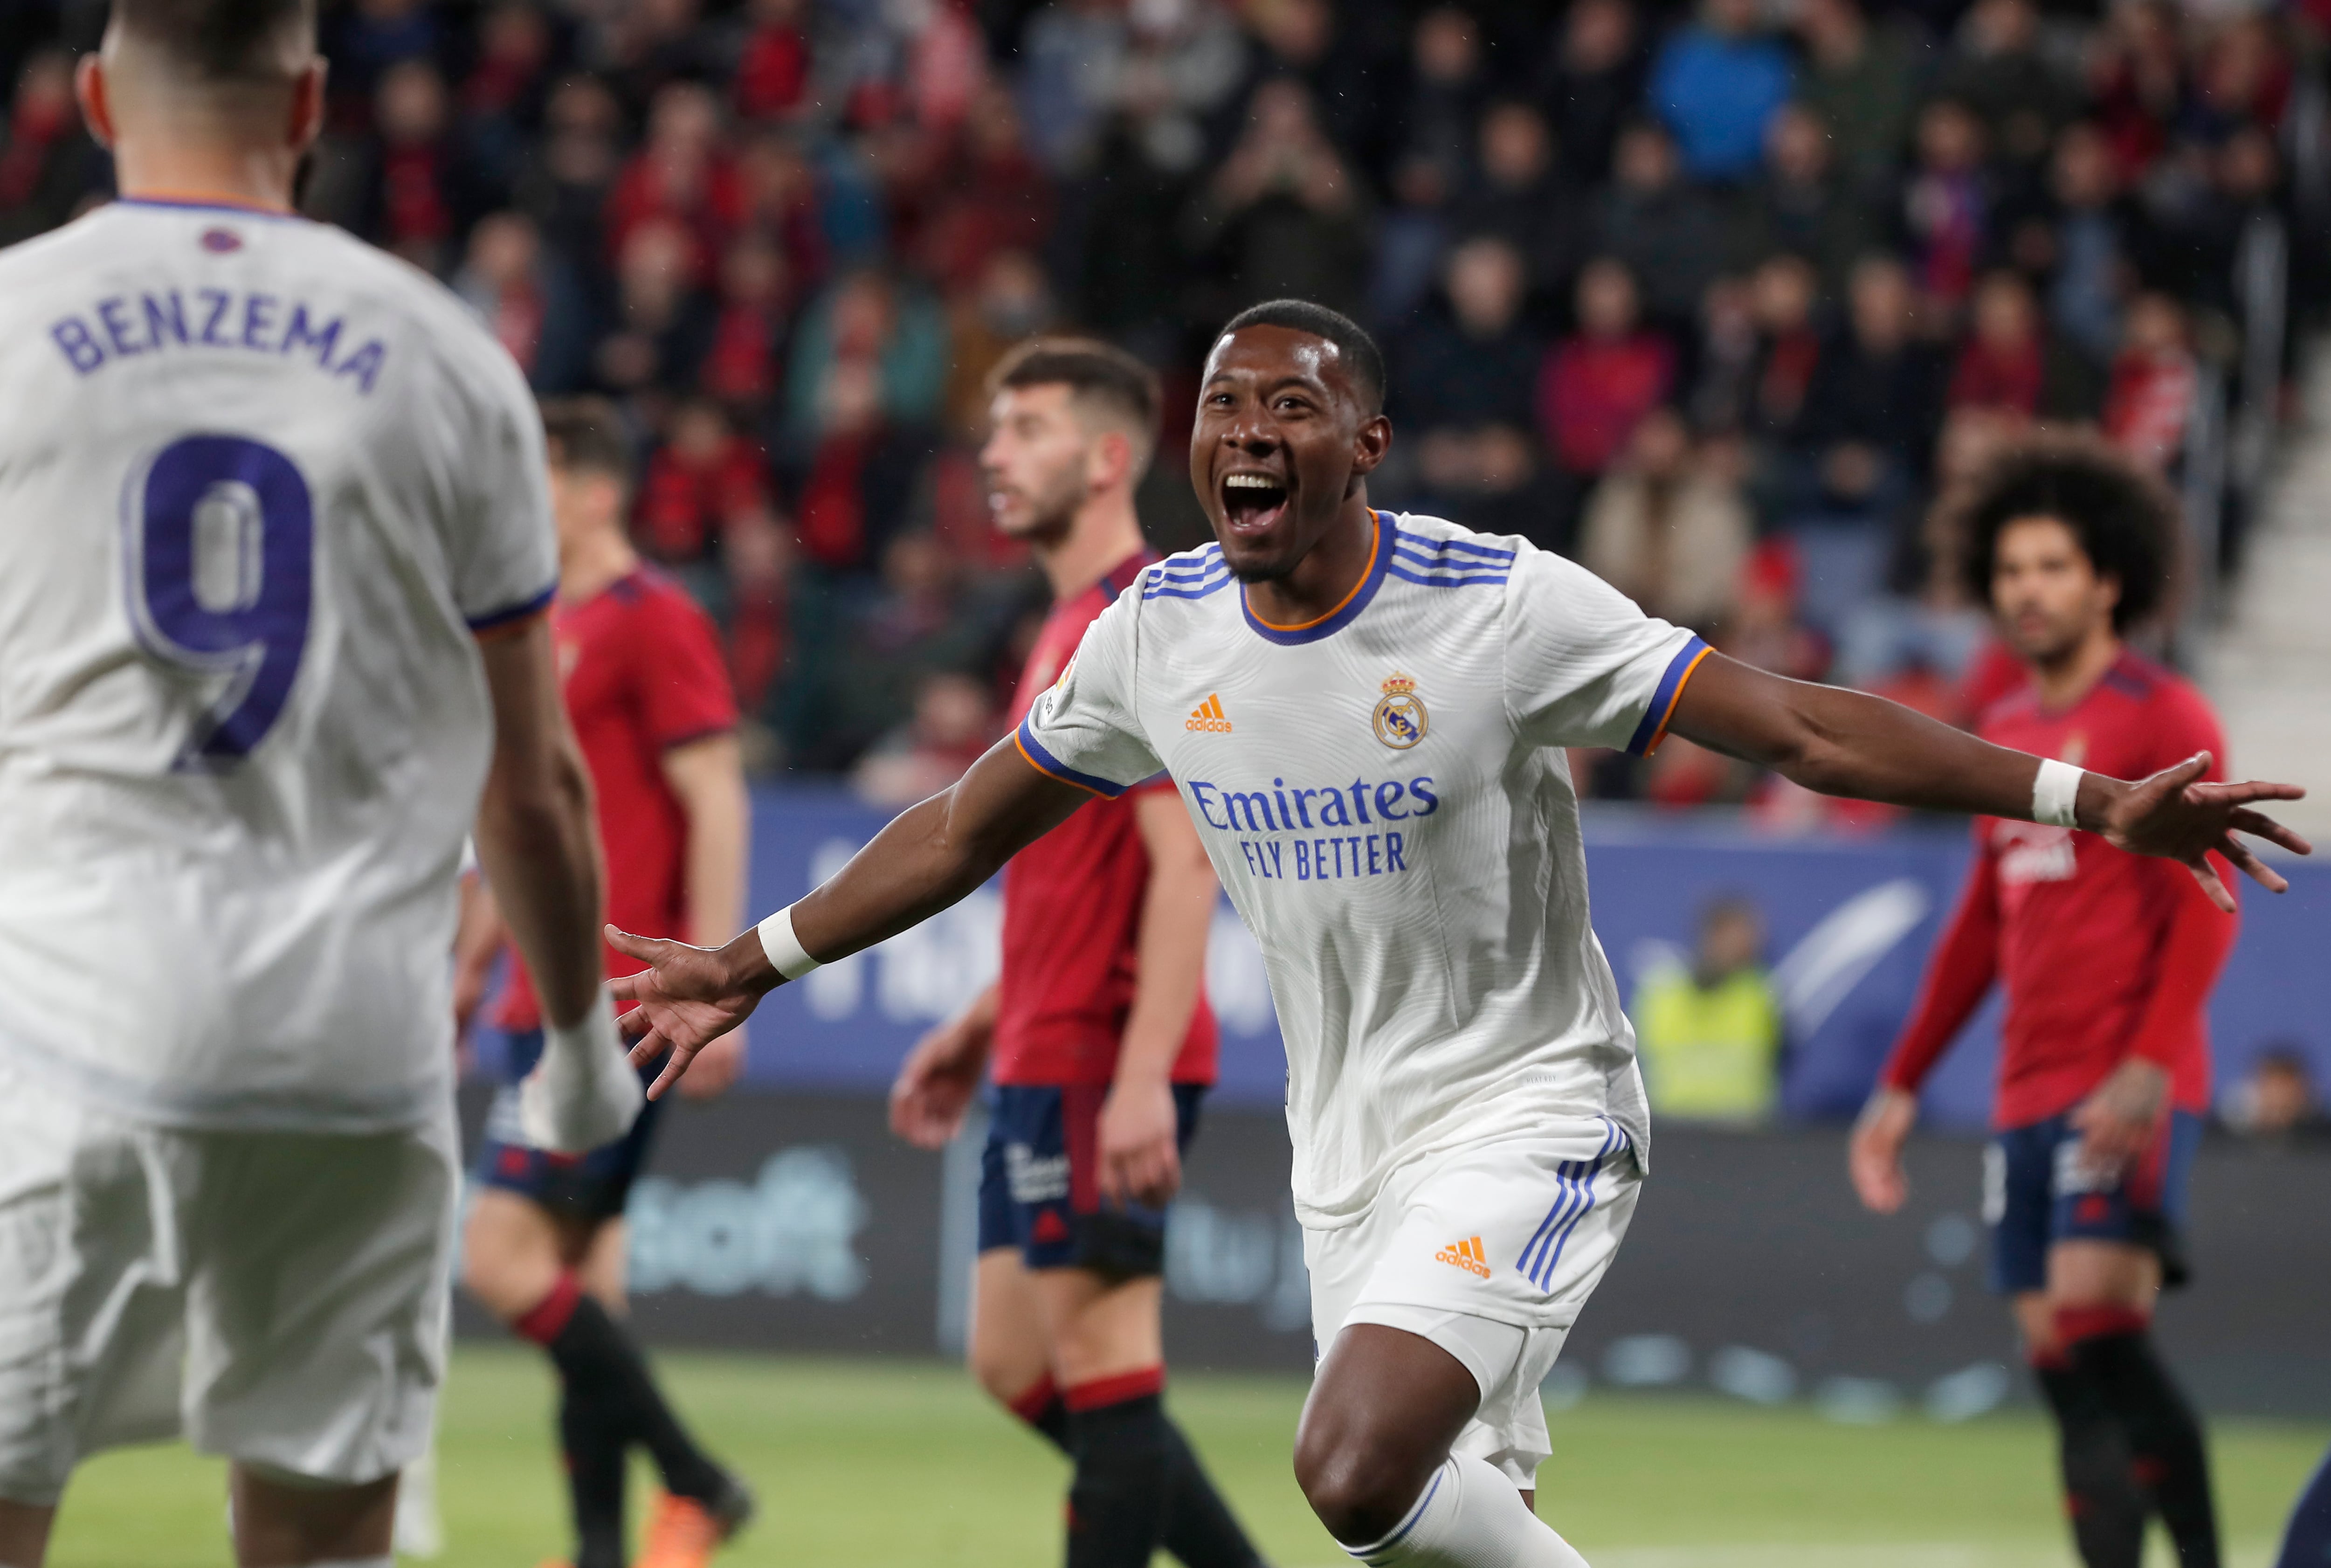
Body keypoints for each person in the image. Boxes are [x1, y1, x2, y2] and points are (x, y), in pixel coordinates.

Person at [607, 301, 2303, 1568]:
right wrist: (746, 957)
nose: (1247, 427)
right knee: (1427, 1525)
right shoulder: (1155, 633)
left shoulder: (1496, 607)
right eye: (1221, 402)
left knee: (1345, 1466)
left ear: (1366, 447)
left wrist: (2084, 801)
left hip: (1531, 1105)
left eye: (1292, 403)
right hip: (1343, 1147)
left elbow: (1797, 725)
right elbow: (966, 822)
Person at [0, 3, 644, 1564]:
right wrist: (573, 1050)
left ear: (94, 96)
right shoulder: (448, 357)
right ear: (308, 104)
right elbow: (537, 781)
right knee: (319, 1535)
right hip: (349, 1050)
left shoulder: (14, 319)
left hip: (61, 1021)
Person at [886, 339, 1269, 1568]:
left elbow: (1182, 864)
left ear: (1108, 458)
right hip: (1044, 1035)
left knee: (1109, 1374)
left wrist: (1149, 1069)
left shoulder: (1143, 620)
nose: (995, 452)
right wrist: (985, 1017)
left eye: (1029, 427)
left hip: (1108, 1050)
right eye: (995, 428)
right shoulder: (1061, 626)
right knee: (1014, 1359)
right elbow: (1072, 874)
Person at [1848, 437, 2242, 1568]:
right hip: (2021, 1090)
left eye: (2052, 566)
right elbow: (1979, 924)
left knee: (2101, 1327)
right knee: (2065, 1379)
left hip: (2120, 1076)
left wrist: (2152, 1060)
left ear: (2106, 578)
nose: (2027, 589)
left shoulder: (2165, 718)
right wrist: (1902, 1084)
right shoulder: (2004, 733)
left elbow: (2206, 907)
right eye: (2012, 569)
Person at [458, 401, 756, 1568]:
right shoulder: (542, 625)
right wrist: (479, 953)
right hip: (539, 995)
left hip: (617, 1008)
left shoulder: (654, 618)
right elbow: (525, 814)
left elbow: (716, 796)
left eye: (529, 477)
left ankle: (700, 1481)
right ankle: (600, 1552)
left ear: (590, 491)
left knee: (499, 1257)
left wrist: (725, 972)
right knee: (585, 1280)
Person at [1631, 896, 1784, 1123]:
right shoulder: (1662, 994)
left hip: (1746, 1131)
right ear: (1711, 935)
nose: (1749, 944)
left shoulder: (1761, 995)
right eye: (1735, 934)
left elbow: (1783, 1060)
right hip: (1669, 1127)